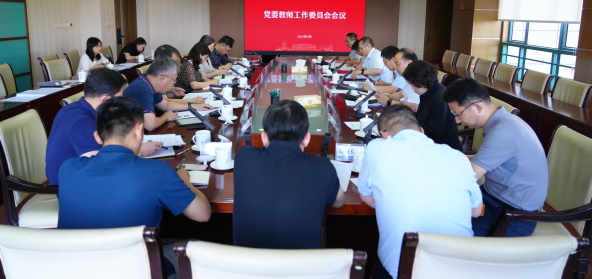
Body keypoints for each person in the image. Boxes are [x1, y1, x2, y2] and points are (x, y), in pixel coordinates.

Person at [57, 96, 211, 277]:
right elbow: (203, 214)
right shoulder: (157, 172)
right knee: (196, 247)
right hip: (136, 270)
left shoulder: (67, 168)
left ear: (97, 136)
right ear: (139, 130)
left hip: (76, 269)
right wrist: (184, 180)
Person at [359, 104, 482, 279]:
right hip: (459, 269)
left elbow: (366, 196)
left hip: (404, 271)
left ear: (384, 134)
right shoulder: (457, 156)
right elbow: (476, 211)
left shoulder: (377, 147)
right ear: (422, 131)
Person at [442, 77, 548, 237]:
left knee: (447, 229)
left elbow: (467, 176)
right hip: (494, 197)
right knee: (443, 214)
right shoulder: (503, 122)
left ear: (477, 107)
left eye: (458, 114)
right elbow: (485, 158)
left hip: (513, 215)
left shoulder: (504, 132)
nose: (457, 121)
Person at [233, 100, 345, 249]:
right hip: (303, 264)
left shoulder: (244, 157)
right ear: (307, 138)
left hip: (247, 263)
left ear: (264, 137)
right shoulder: (323, 167)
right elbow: (339, 202)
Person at [45, 68, 159, 185]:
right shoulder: (82, 123)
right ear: (105, 99)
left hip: (78, 179)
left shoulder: (74, 107)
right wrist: (137, 151)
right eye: (120, 97)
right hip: (68, 187)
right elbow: (101, 169)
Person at [123, 57, 212, 132]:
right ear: (163, 78)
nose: (173, 84)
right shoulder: (143, 89)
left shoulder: (149, 82)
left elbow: (165, 105)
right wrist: (166, 117)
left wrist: (193, 106)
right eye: (174, 80)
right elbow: (150, 125)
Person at [402, 60, 461, 149]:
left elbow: (435, 131)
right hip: (430, 142)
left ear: (422, 80)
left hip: (443, 147)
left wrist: (411, 130)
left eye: (414, 85)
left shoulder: (439, 97)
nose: (412, 89)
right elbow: (422, 118)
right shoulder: (427, 92)